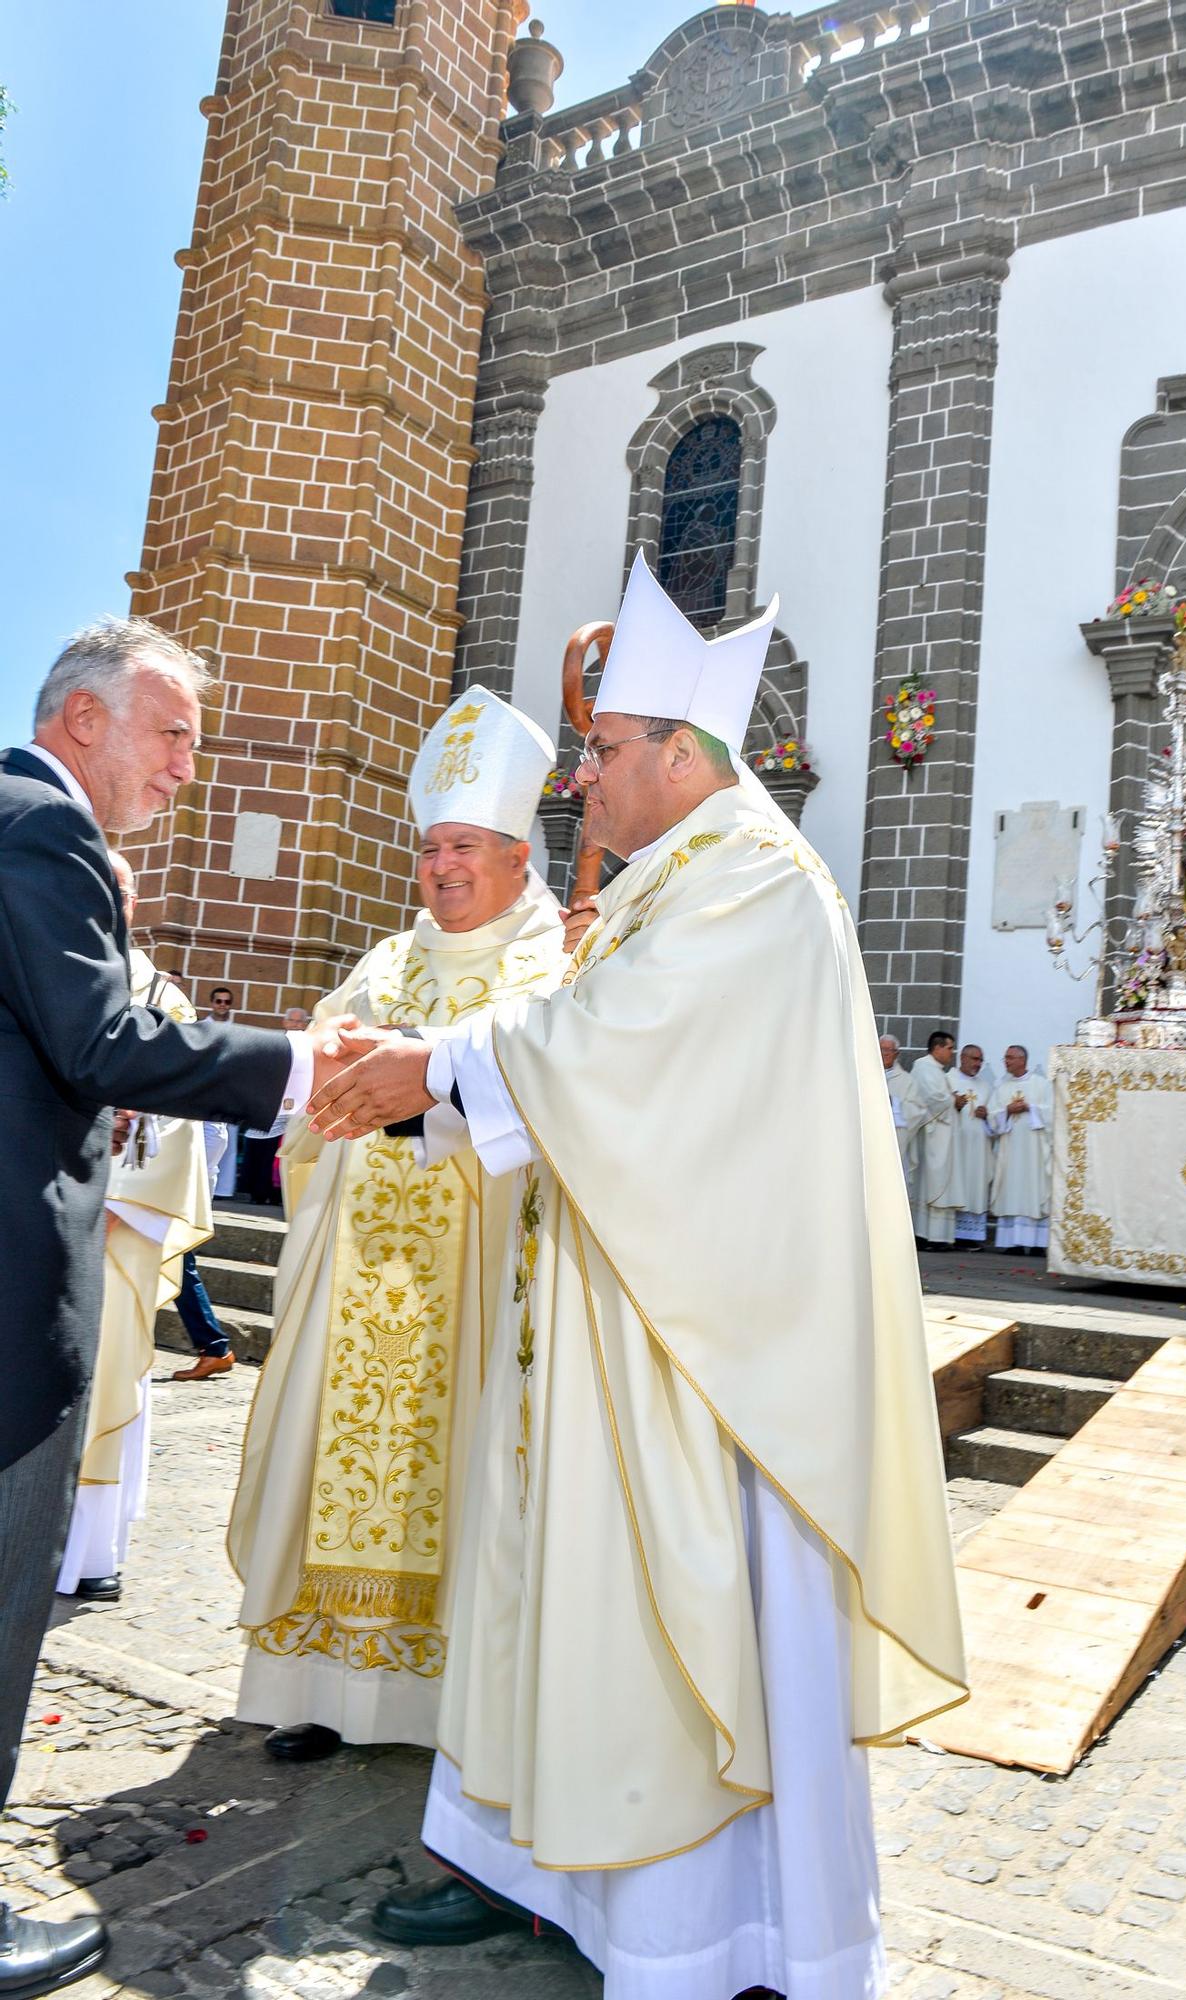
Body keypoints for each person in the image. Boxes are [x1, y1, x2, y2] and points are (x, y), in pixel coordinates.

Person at [306, 552, 966, 1999]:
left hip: (701, 1365)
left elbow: (611, 1060)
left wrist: (433, 1070)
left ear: (680, 750)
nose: (580, 782)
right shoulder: (681, 880)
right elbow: (579, 1044)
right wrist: (426, 1069)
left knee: (668, 1629)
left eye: (602, 752)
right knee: (562, 1601)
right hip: (613, 1330)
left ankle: (699, 1934)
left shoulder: (753, 886)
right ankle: (540, 1875)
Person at [0, 615, 347, 1998]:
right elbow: (97, 1037)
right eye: (173, 730)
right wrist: (308, 1067)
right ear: (84, 720)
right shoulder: (43, 828)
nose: (189, 766)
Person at [227, 690, 567, 1763]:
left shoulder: (554, 967)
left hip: (478, 1282)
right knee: (341, 1461)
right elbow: (315, 1093)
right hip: (362, 1265)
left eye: (464, 844)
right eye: (429, 847)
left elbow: (561, 1102)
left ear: (518, 855)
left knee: (466, 1471)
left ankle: (451, 1706)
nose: (441, 867)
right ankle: (323, 1689)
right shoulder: (384, 959)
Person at [56, 853, 212, 1604]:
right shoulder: (44, 969)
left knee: (110, 1377)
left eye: (117, 889)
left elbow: (179, 1109)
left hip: (114, 1229)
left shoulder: (162, 998)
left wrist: (125, 1128)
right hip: (38, 1221)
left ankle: (89, 1550)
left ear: (133, 898)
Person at [170, 1121, 235, 1380]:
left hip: (179, 1186)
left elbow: (214, 1139)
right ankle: (214, 1346)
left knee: (178, 1262)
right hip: (173, 1180)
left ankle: (215, 1346)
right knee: (177, 1264)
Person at [987, 1043, 1053, 1253]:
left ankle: (1036, 1244)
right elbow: (991, 1115)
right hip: (1011, 1148)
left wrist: (1029, 1108)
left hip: (1035, 1149)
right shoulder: (1001, 1087)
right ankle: (1012, 1242)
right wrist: (1006, 1110)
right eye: (1005, 1058)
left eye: (1010, 1057)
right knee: (1012, 1189)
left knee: (1034, 1189)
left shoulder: (1042, 1084)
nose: (1006, 1061)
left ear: (1023, 1060)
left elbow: (1053, 1112)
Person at [239, 1010, 309, 1204]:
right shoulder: (277, 1043)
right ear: (284, 1022)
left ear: (305, 1024)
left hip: (297, 1106)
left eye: (299, 1021)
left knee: (281, 1154)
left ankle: (278, 1193)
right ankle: (257, 1192)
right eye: (291, 1021)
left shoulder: (310, 1046)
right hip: (273, 1101)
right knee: (261, 1150)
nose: (295, 1025)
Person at [903, 1029, 964, 1249]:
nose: (951, 1053)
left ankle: (937, 1235)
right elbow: (932, 1099)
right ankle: (929, 1235)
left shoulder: (936, 1070)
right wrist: (953, 1100)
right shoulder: (924, 1068)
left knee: (937, 1182)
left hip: (941, 1136)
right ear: (937, 1048)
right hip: (932, 1137)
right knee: (932, 1184)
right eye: (949, 1048)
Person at [947, 1042, 993, 1247]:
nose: (978, 1064)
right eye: (975, 1059)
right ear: (962, 1058)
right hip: (956, 1145)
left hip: (978, 1147)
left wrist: (987, 1116)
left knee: (975, 1186)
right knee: (956, 1183)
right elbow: (936, 1109)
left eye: (981, 1060)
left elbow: (995, 1116)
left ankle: (971, 1236)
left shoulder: (985, 1086)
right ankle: (951, 1232)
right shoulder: (948, 1080)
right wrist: (954, 1106)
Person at [208, 986, 242, 1197]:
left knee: (228, 1141)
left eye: (226, 1002)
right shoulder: (201, 1027)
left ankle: (224, 1189)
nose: (222, 1005)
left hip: (229, 1089)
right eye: (219, 1001)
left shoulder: (237, 1031)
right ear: (212, 1003)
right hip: (206, 1089)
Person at [880, 1029, 915, 1202]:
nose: (884, 1053)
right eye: (881, 1049)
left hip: (894, 1140)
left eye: (888, 1050)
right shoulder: (863, 1074)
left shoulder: (907, 1080)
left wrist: (894, 1103)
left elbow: (918, 1110)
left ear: (896, 1054)